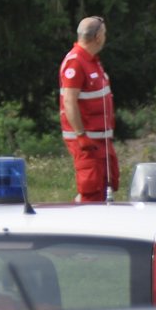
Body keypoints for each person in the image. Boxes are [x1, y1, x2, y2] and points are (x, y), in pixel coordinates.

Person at [59, 15, 119, 202]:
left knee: (106, 185)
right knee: (91, 190)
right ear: (98, 37)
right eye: (104, 34)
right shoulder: (76, 62)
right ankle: (79, 226)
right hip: (87, 142)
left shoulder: (92, 61)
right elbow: (69, 101)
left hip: (100, 140)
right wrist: (81, 135)